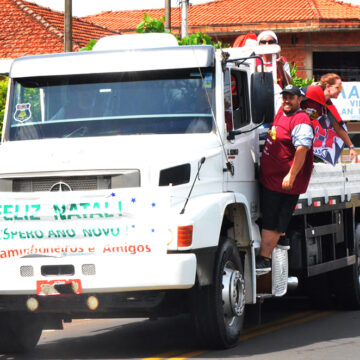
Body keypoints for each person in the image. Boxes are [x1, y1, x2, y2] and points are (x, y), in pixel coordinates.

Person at [256, 84, 314, 273]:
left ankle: (263, 260)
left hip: (283, 184)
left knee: (271, 222)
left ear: (300, 100)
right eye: (285, 97)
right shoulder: (283, 111)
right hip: (270, 179)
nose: (287, 100)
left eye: (291, 97)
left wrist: (291, 175)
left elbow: (302, 149)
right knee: (271, 219)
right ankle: (281, 237)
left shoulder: (301, 120)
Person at [301, 73, 358, 163]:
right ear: (328, 86)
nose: (340, 91)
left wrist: (351, 147)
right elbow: (291, 98)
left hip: (306, 143)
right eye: (338, 87)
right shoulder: (310, 91)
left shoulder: (327, 105)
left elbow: (338, 127)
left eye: (341, 88)